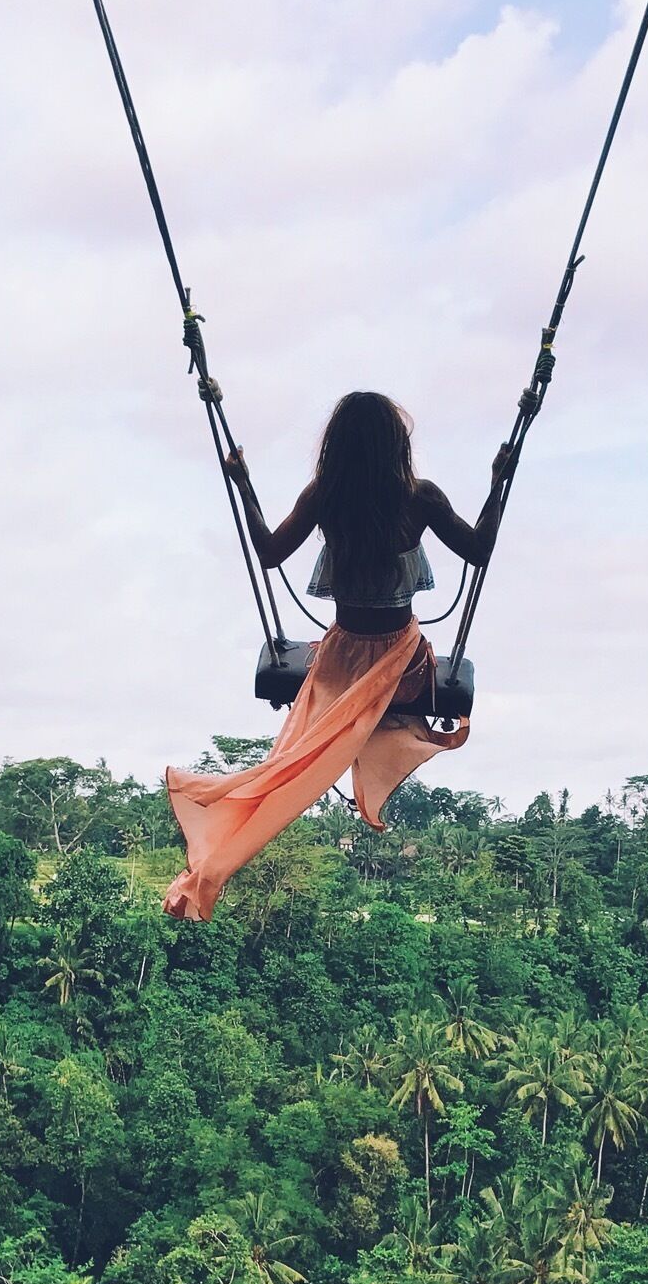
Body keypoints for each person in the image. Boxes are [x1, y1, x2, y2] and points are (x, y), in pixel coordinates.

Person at [164, 391, 512, 921]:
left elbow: (269, 552)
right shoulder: (421, 498)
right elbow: (479, 550)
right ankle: (374, 734)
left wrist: (245, 486)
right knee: (381, 713)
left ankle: (214, 858)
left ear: (337, 448)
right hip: (402, 660)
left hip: (340, 658)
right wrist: (496, 484)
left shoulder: (325, 496)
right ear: (397, 447)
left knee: (287, 762)